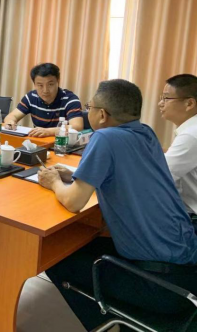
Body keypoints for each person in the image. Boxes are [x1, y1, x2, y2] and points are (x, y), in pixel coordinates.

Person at [37, 79, 197, 330]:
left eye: (89, 107)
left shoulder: (105, 137)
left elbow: (74, 202)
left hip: (160, 285)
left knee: (55, 258)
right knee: (83, 244)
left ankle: (112, 324)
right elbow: (131, 172)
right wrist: (77, 174)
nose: (87, 111)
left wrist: (54, 182)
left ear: (102, 114)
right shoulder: (146, 132)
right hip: (186, 266)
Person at [3, 63, 83, 137]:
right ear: (34, 84)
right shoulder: (31, 97)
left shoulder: (70, 99)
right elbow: (12, 116)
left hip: (61, 143)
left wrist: (49, 132)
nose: (45, 90)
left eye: (50, 84)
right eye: (40, 85)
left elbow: (77, 126)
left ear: (58, 81)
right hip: (38, 142)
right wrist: (10, 122)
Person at [160, 74, 197, 215]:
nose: (160, 103)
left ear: (189, 104)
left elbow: (160, 176)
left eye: (166, 98)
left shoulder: (191, 135)